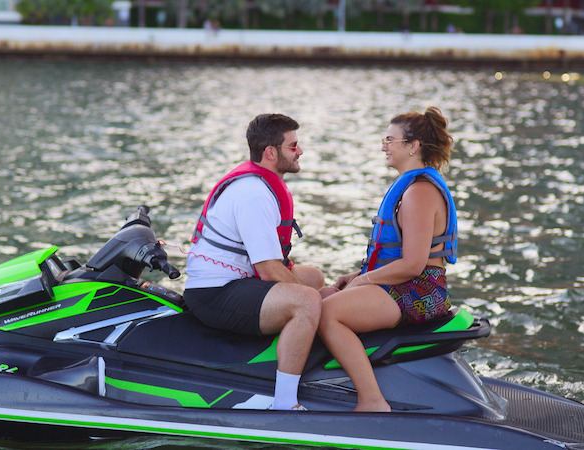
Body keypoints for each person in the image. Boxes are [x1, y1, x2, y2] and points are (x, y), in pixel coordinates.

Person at [318, 106, 458, 412]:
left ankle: (372, 401)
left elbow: (413, 264)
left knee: (329, 313)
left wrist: (362, 281)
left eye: (390, 139)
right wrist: (355, 277)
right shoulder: (411, 185)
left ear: (412, 146)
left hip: (420, 290)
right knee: (321, 295)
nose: (384, 145)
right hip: (404, 284)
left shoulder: (419, 192)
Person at [184, 113, 325, 411]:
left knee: (314, 278)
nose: (300, 151)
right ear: (270, 152)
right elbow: (269, 269)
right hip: (214, 293)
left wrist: (309, 288)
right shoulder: (254, 194)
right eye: (293, 146)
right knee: (309, 301)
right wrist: (316, 302)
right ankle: (285, 403)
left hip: (235, 280)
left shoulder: (260, 186)